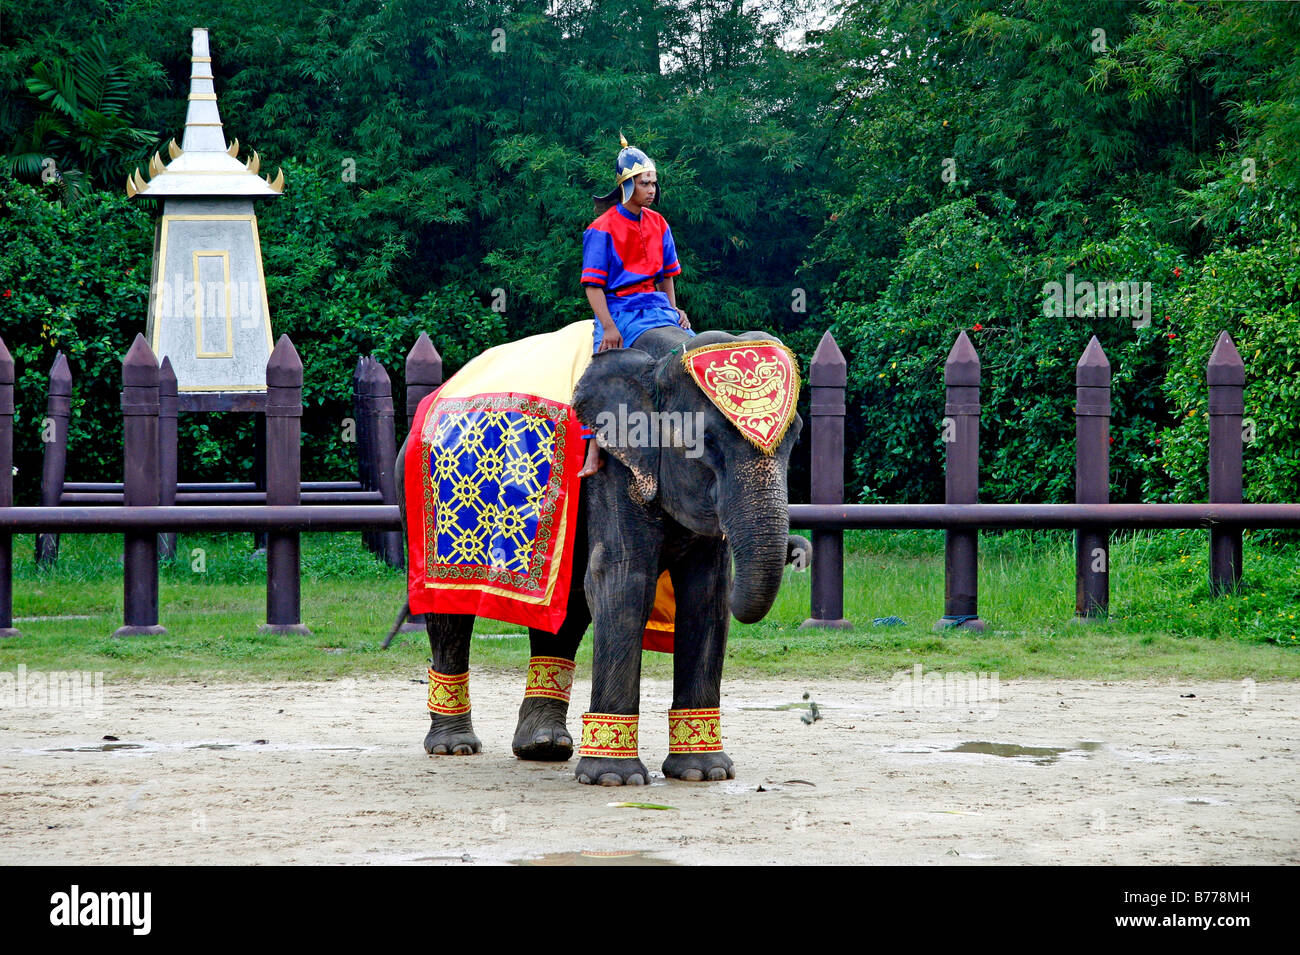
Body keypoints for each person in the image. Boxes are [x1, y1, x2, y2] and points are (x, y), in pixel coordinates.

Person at [578, 135, 692, 477]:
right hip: (619, 309)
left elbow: (667, 277)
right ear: (627, 185)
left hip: (656, 306)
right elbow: (592, 286)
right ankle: (594, 449)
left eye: (654, 183)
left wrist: (674, 312)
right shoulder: (601, 229)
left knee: (693, 353)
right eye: (645, 183)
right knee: (601, 366)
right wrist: (609, 326)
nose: (652, 189)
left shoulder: (659, 224)